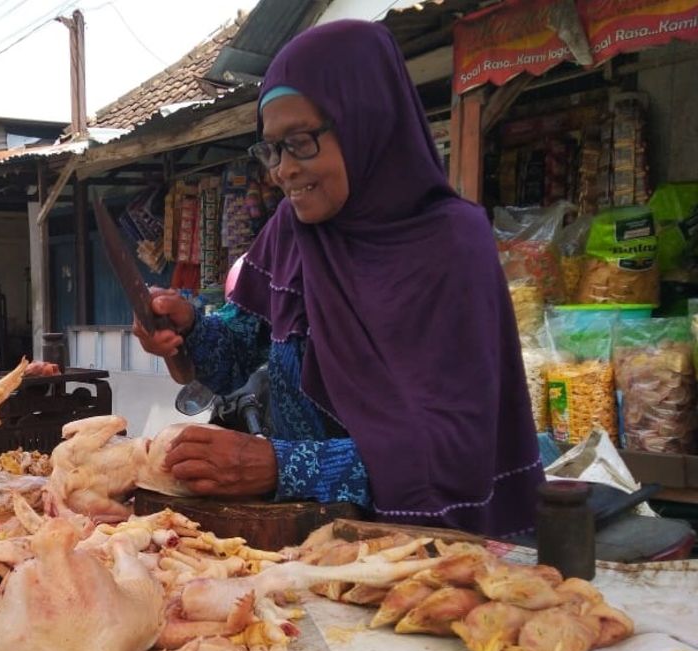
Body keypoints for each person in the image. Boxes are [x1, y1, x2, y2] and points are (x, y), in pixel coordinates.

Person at [134, 20, 543, 539]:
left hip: (425, 552)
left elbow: (459, 447)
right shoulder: (293, 230)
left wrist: (283, 466)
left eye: (300, 142)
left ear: (366, 123)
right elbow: (240, 349)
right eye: (271, 149)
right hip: (300, 545)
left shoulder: (451, 245)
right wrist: (188, 325)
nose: (282, 169)